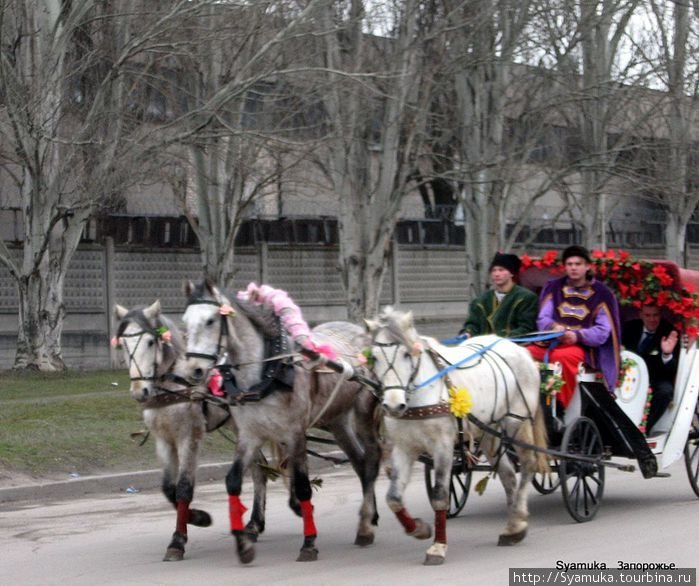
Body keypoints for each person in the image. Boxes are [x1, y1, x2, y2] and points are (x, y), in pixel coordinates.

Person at [527, 245, 622, 408]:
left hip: (583, 347)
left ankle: (562, 407)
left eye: (578, 264)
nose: (573, 268)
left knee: (563, 358)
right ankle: (527, 402)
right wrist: (554, 327)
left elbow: (603, 331)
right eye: (569, 264)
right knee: (525, 353)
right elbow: (543, 317)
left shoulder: (602, 293)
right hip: (552, 341)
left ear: (587, 266)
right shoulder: (553, 287)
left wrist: (577, 336)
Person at [622, 304, 679, 433]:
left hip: (655, 377)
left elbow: (673, 369)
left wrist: (667, 354)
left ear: (661, 315)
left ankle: (642, 430)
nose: (652, 319)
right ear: (640, 314)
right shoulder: (629, 327)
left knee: (665, 391)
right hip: (628, 375)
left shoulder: (670, 332)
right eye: (648, 315)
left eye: (656, 315)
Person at [459, 252, 538, 338]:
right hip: (482, 345)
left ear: (511, 273)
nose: (496, 274)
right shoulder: (481, 300)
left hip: (512, 344)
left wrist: (497, 339)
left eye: (501, 270)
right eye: (494, 270)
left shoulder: (526, 297)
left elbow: (525, 328)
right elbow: (472, 324)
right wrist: (467, 333)